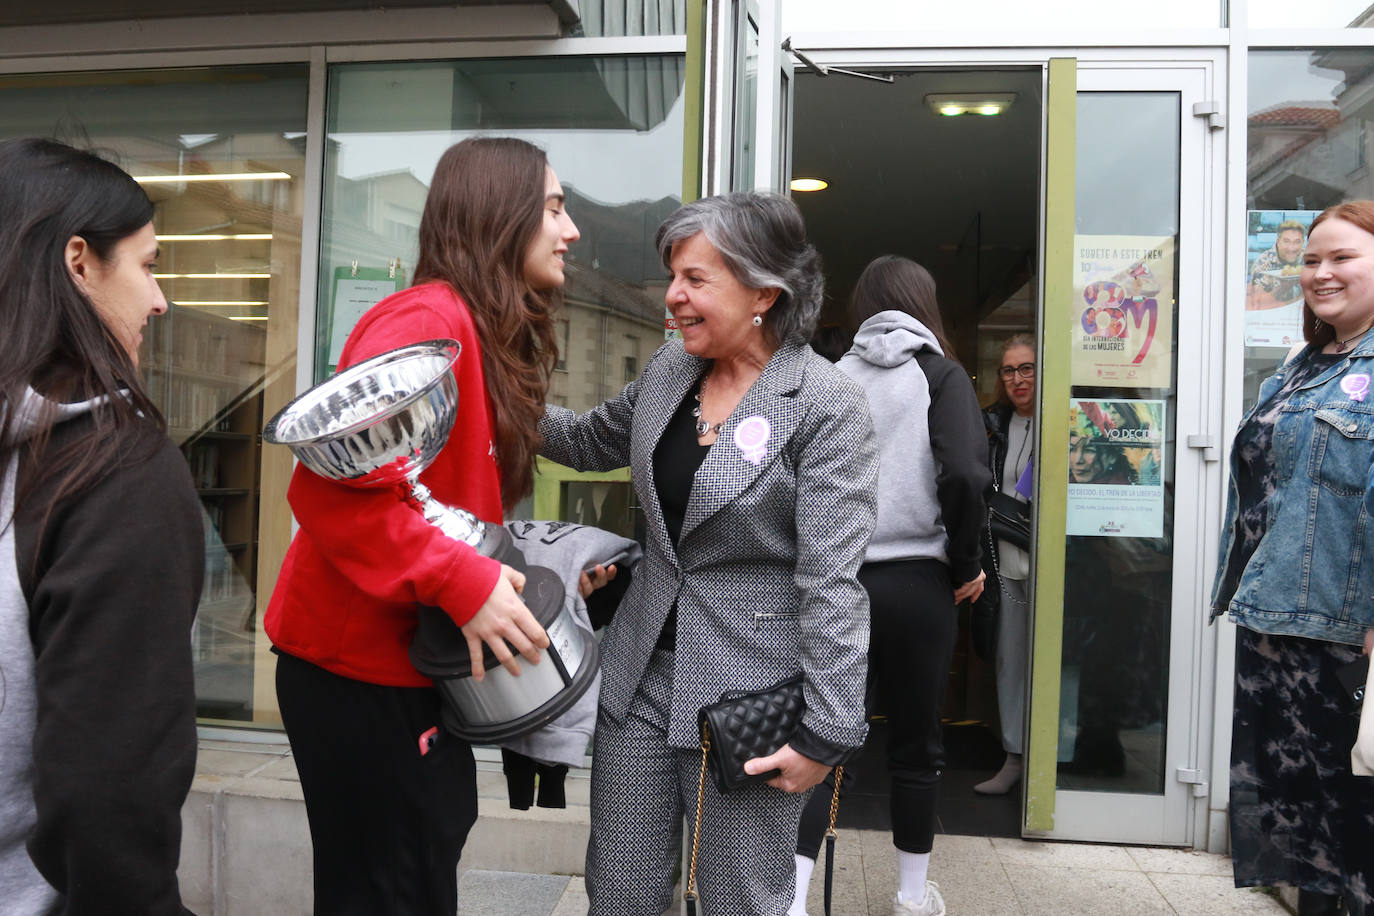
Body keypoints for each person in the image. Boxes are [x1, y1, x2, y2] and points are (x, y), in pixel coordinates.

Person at [264, 137, 583, 915]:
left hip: (401, 671)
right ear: (499, 216)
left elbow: (443, 504)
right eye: (553, 207)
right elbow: (330, 487)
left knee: (418, 861)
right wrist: (460, 581)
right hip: (355, 674)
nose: (570, 229)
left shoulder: (476, 327)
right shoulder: (426, 319)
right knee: (391, 888)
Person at [539, 191, 878, 916]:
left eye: (695, 279)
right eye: (672, 277)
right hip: (639, 681)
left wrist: (827, 730)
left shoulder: (825, 404)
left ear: (763, 291)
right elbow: (589, 439)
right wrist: (496, 390)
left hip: (749, 696)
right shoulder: (670, 372)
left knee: (739, 901)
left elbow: (832, 583)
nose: (672, 298)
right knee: (621, 893)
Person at [0, 138, 202, 913]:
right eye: (147, 265)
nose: (158, 300)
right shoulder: (116, 475)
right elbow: (108, 789)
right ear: (79, 263)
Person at [788, 256, 989, 916]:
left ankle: (788, 901)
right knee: (916, 743)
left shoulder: (829, 376)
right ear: (923, 304)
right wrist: (966, 564)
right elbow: (963, 474)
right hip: (919, 587)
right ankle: (909, 897)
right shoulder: (941, 373)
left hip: (838, 581)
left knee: (824, 742)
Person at [1212, 200, 1374, 916]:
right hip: (1278, 626)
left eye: (1342, 257)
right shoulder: (1301, 366)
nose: (1321, 272)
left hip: (1347, 641)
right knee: (1306, 839)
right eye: (1311, 259)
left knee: (1356, 837)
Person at [972, 333, 1035, 797]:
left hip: (1059, 562)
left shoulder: (1070, 422)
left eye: (1027, 368)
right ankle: (1014, 756)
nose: (1017, 379)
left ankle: (1053, 761)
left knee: (1060, 665)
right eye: (1009, 370)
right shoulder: (993, 423)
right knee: (1011, 659)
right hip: (1006, 558)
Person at [1246, 219, 1306, 309]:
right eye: (1286, 241)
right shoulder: (1264, 262)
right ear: (1278, 242)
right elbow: (1257, 302)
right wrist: (1282, 288)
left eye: (1297, 242)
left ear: (1303, 243)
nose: (1291, 248)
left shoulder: (1308, 259)